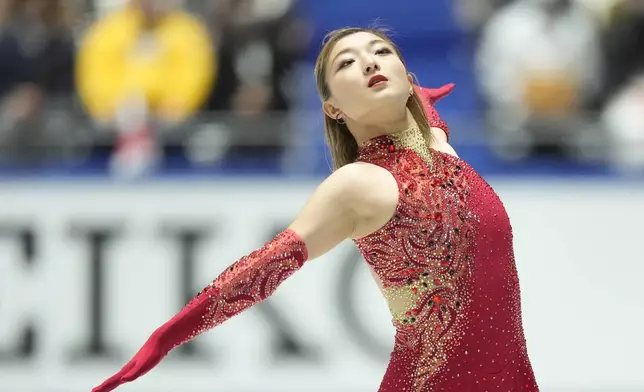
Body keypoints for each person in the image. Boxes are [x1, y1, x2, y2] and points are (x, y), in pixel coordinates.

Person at [91, 27, 540, 392]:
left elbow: (423, 114)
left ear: (406, 75)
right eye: (347, 63)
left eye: (382, 51)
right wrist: (160, 343)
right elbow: (259, 270)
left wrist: (421, 103)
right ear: (333, 108)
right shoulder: (356, 185)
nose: (369, 62)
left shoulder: (442, 146)